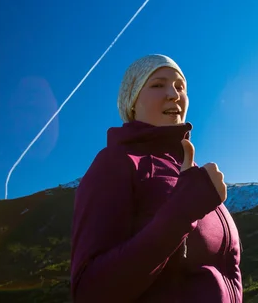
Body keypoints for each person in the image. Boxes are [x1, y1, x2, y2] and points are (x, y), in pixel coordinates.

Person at [70, 54, 243, 302]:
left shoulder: (193, 175)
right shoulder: (117, 162)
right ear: (132, 102)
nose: (173, 94)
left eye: (180, 87)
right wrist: (183, 212)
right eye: (158, 84)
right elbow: (89, 291)